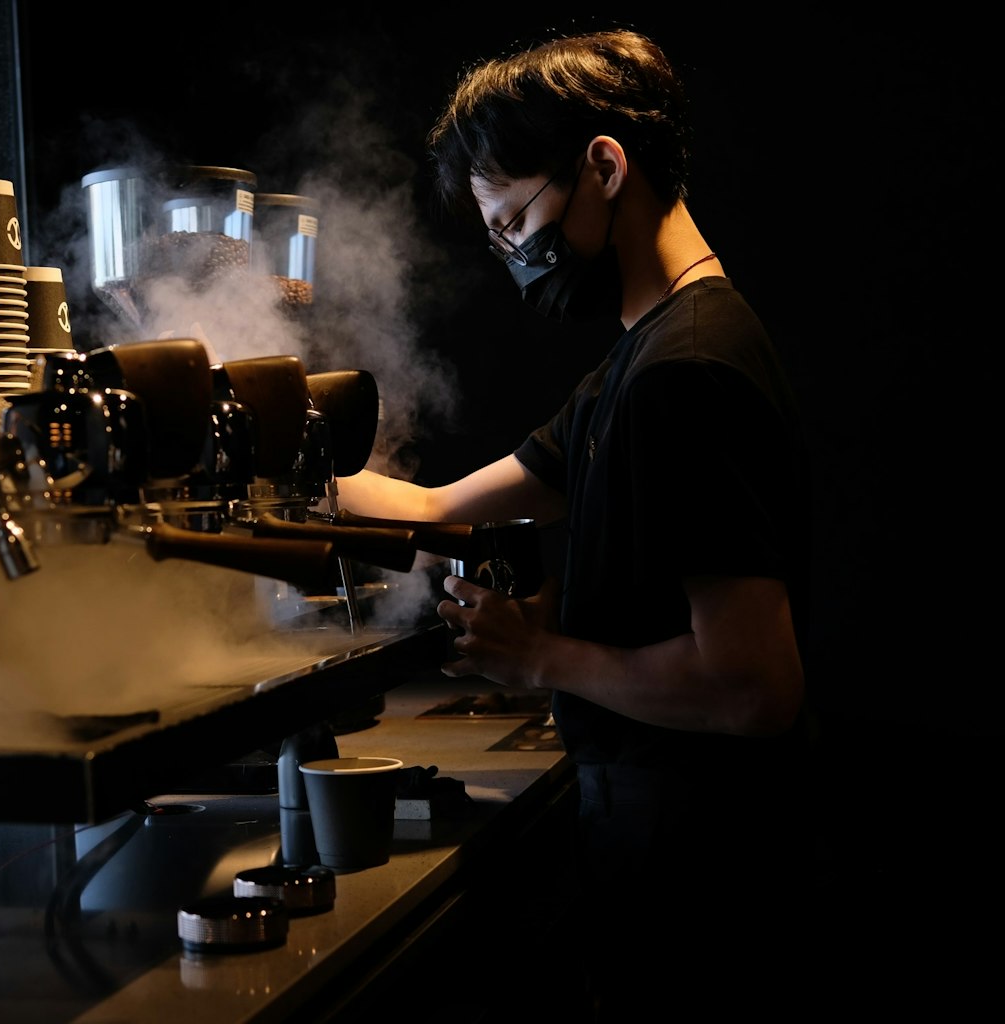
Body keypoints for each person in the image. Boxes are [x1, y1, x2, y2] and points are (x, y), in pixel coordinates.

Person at [337, 29, 817, 1022]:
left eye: (515, 219)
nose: (513, 254)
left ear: (604, 165)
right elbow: (433, 510)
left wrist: (540, 656)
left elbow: (754, 687)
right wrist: (282, 479)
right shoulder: (639, 362)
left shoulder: (687, 371)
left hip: (695, 869)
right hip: (647, 840)